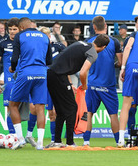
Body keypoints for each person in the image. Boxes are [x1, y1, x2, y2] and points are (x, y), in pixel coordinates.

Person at [46, 34, 110, 147]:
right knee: (72, 108)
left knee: (61, 110)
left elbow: (64, 61)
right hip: (59, 76)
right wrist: (84, 85)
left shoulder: (81, 43)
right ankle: (70, 142)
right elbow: (83, 73)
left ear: (95, 40)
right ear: (104, 47)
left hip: (51, 74)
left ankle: (57, 141)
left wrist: (69, 83)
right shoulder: (93, 53)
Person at [7, 18, 51, 150]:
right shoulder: (44, 36)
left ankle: (20, 139)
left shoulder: (20, 36)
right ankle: (40, 143)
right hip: (42, 73)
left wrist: (12, 68)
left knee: (13, 105)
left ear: (21, 27)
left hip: (26, 73)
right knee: (40, 108)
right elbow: (49, 60)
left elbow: (15, 58)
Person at [82, 16, 122, 146]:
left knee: (89, 114)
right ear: (106, 26)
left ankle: (86, 142)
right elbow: (120, 62)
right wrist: (113, 65)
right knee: (113, 114)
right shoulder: (114, 41)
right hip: (108, 85)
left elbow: (84, 63)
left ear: (94, 27)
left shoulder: (88, 42)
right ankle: (119, 142)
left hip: (92, 84)